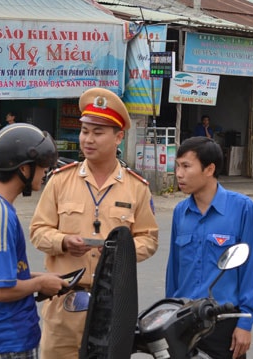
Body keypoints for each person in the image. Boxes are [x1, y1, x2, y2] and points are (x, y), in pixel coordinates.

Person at [30, 87, 159, 359]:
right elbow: (38, 232)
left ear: (118, 137)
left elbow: (149, 239)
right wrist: (63, 242)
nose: (88, 139)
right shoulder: (60, 180)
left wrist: (118, 253)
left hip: (112, 307)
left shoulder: (137, 188)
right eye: (85, 131)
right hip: (63, 304)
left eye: (98, 132)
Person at [0, 123, 68, 358]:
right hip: (7, 339)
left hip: (0, 337)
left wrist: (43, 277)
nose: (44, 174)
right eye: (41, 168)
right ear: (24, 168)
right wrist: (40, 285)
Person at [165, 136, 253, 359]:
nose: (179, 173)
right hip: (183, 322)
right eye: (177, 166)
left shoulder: (242, 208)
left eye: (186, 166)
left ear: (209, 169)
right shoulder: (180, 212)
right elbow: (174, 270)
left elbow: (250, 267)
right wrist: (169, 313)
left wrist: (245, 323)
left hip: (223, 323)